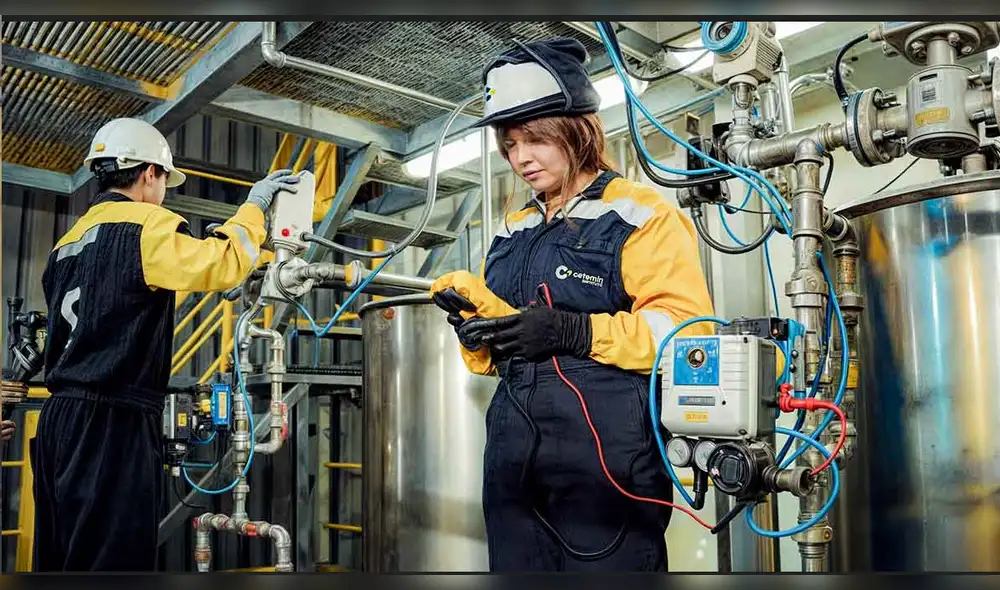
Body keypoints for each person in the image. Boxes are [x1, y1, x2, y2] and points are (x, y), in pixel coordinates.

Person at [430, 37, 716, 571]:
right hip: (513, 462)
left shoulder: (638, 213)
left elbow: (686, 335)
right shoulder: (515, 227)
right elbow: (517, 344)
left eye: (534, 140)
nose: (521, 159)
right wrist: (481, 335)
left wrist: (577, 333)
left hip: (606, 465)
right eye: (510, 145)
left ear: (575, 129)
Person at [31, 117, 301, 572]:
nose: (164, 191)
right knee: (111, 562)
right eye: (164, 180)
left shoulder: (68, 242)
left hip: (59, 419)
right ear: (149, 173)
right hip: (111, 421)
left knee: (60, 556)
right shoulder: (145, 226)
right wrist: (254, 207)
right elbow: (222, 261)